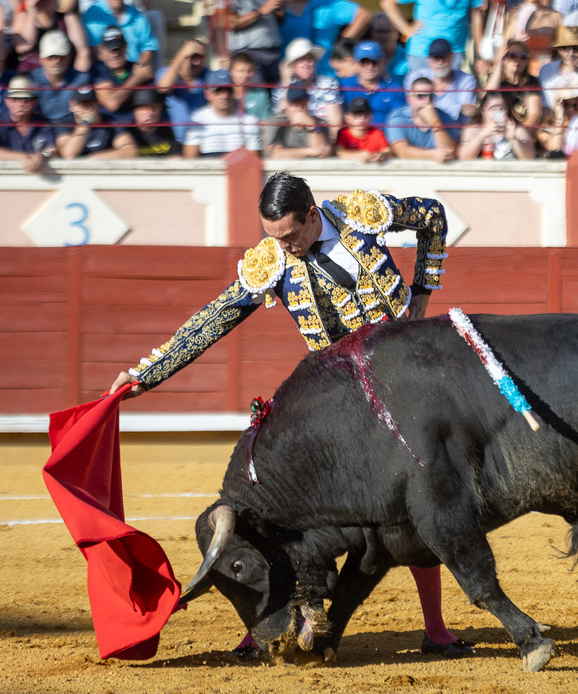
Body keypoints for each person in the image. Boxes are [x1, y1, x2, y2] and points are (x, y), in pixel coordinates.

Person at [107, 171, 466, 658]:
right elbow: (214, 318)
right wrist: (147, 373)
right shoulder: (271, 260)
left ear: (313, 216)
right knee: (284, 501)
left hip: (404, 382)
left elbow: (432, 217)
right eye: (273, 237)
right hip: (336, 392)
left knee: (418, 495)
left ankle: (436, 630)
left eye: (291, 235)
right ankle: (266, 623)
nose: (284, 247)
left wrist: (423, 291)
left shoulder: (361, 214)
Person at [280, 0, 372, 77]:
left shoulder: (328, 4)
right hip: (289, 77)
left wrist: (342, 44)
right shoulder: (279, 8)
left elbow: (364, 15)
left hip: (325, 77)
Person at [271, 38, 344, 141]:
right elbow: (280, 117)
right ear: (292, 65)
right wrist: (287, 83)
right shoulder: (281, 88)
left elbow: (335, 123)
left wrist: (330, 145)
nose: (306, 64)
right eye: (300, 60)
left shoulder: (328, 83)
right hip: (292, 140)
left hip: (323, 138)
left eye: (309, 59)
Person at [183, 69, 266, 158]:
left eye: (228, 90)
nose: (225, 96)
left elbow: (254, 159)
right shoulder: (198, 119)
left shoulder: (249, 121)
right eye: (218, 90)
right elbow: (190, 158)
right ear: (207, 93)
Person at [0, 75, 58, 174]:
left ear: (34, 102)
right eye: (15, 99)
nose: (20, 104)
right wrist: (20, 157)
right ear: (7, 101)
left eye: (26, 99)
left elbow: (52, 150)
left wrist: (43, 155)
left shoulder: (44, 123)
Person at [84, 0, 158, 65]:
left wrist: (139, 70)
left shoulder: (138, 16)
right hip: (104, 71)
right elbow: (93, 49)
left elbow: (148, 48)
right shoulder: (93, 14)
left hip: (134, 69)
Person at [386, 73, 461, 162]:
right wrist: (433, 155)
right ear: (410, 99)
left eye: (431, 96)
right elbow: (402, 152)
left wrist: (436, 123)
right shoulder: (398, 119)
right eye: (420, 96)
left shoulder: (447, 119)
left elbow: (450, 153)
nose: (427, 101)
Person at [502, 0, 561, 73]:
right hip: (519, 72)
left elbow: (562, 50)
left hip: (547, 72)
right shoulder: (511, 16)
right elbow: (503, 48)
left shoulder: (556, 17)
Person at [92, 25, 154, 124]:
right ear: (102, 50)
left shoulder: (136, 68)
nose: (115, 54)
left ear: (126, 47)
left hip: (136, 127)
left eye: (118, 48)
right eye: (111, 49)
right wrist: (136, 79)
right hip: (109, 128)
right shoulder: (98, 70)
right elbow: (112, 103)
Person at [337, 40, 406, 127]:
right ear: (357, 64)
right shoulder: (344, 86)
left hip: (385, 138)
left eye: (374, 62)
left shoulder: (395, 90)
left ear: (382, 63)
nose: (369, 67)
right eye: (364, 62)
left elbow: (400, 122)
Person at [28, 29, 92, 122]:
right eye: (50, 57)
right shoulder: (31, 80)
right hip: (40, 129)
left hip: (71, 127)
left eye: (61, 57)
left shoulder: (82, 79)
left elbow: (90, 115)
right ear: (41, 59)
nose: (56, 61)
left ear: (69, 57)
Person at [539, 24, 578, 112]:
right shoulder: (546, 70)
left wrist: (574, 75)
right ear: (558, 50)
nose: (571, 53)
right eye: (565, 48)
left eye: (575, 48)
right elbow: (546, 108)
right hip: (555, 121)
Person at [156, 39, 210, 144]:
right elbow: (163, 87)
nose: (196, 62)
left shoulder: (206, 74)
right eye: (192, 56)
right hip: (174, 141)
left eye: (200, 57)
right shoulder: (168, 72)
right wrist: (181, 56)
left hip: (200, 141)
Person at [458, 90, 538, 158]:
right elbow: (464, 157)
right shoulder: (473, 130)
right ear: (483, 110)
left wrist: (513, 139)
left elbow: (529, 157)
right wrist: (482, 136)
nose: (498, 113)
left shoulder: (516, 130)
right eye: (493, 109)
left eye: (501, 109)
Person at [485, 40, 545, 126]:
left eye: (523, 57)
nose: (518, 60)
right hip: (495, 127)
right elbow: (489, 95)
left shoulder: (532, 81)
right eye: (512, 55)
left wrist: (519, 132)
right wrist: (499, 64)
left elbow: (535, 115)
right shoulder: (495, 78)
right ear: (504, 57)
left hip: (522, 130)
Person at [266, 85, 332, 159]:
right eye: (295, 104)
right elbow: (276, 153)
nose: (299, 109)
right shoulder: (276, 123)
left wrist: (312, 126)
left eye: (302, 104)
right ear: (287, 105)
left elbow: (323, 152)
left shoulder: (320, 123)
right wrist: (310, 151)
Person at [334, 96, 392, 162]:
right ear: (347, 117)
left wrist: (381, 155)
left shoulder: (377, 133)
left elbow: (388, 151)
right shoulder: (344, 133)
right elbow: (339, 152)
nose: (361, 118)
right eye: (356, 114)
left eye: (365, 114)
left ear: (371, 117)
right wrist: (356, 155)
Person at [126, 88, 179, 157]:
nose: (150, 113)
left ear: (160, 110)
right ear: (134, 111)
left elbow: (176, 157)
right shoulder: (126, 133)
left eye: (154, 108)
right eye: (144, 108)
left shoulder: (167, 131)